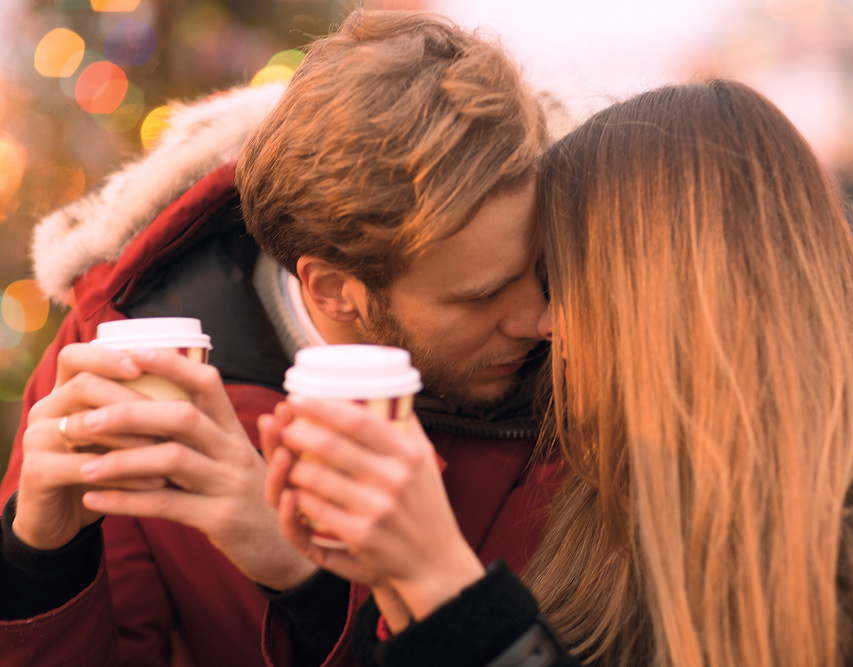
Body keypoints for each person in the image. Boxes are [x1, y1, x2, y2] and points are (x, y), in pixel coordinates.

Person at [267, 79, 853, 667]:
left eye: (562, 279)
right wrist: (376, 585)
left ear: (676, 292)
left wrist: (446, 585)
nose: (545, 323)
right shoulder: (611, 488)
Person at [0, 10, 559, 667]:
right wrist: (39, 564)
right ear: (330, 289)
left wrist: (318, 589)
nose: (545, 319)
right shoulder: (124, 354)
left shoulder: (589, 376)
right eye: (480, 296)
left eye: (546, 269)